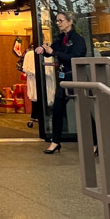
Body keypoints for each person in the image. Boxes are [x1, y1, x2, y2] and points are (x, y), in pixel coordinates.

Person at [35, 11, 88, 154]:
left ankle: (95, 142)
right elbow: (52, 51)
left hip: (75, 78)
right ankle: (55, 141)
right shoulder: (60, 39)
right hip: (63, 79)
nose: (58, 23)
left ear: (70, 22)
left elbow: (74, 57)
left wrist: (53, 53)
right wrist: (44, 51)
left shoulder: (78, 40)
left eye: (61, 20)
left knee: (84, 112)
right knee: (57, 110)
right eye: (57, 21)